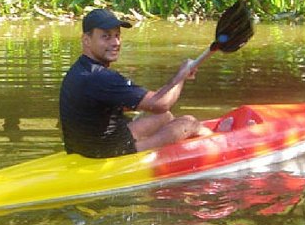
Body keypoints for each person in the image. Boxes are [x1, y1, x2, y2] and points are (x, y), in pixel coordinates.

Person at [59, 8, 209, 158]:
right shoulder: (101, 77)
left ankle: (179, 143)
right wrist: (181, 76)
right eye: (106, 37)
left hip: (84, 150)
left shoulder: (79, 70)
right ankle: (220, 140)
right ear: (86, 40)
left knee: (164, 117)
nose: (115, 42)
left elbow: (153, 105)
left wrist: (158, 96)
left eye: (117, 36)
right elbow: (161, 103)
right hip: (110, 153)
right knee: (189, 123)